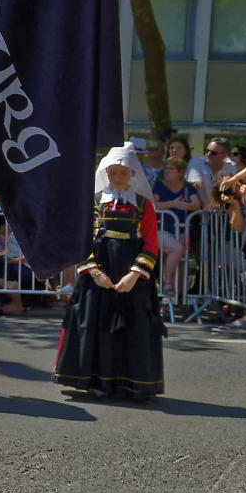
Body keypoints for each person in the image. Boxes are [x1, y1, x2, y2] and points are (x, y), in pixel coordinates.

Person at [54, 145, 166, 400]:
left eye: (122, 173)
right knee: (97, 325)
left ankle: (130, 381)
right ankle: (96, 380)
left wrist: (134, 274)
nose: (117, 178)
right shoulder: (94, 203)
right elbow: (82, 240)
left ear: (132, 174)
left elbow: (150, 242)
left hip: (131, 277)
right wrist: (94, 272)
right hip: (99, 276)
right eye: (112, 173)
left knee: (133, 326)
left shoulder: (143, 205)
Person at [151, 157, 201, 303]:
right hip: (160, 229)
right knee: (176, 249)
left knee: (180, 260)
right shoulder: (159, 185)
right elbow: (154, 204)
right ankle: (166, 283)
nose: (166, 171)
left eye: (171, 168)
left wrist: (187, 206)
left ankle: (175, 298)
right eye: (166, 168)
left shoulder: (187, 187)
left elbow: (196, 204)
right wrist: (172, 204)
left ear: (180, 172)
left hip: (180, 230)